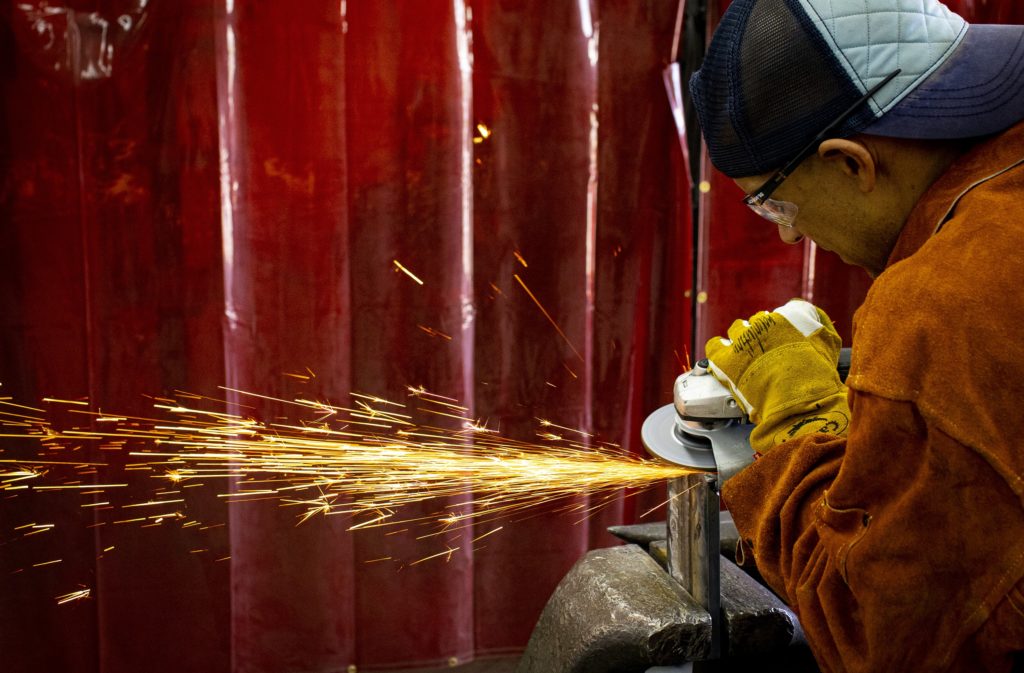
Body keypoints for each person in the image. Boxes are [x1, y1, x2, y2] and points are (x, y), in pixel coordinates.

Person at [687, 1, 1024, 671]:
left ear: (851, 163)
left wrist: (799, 423)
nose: (785, 232)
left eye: (774, 202)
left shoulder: (939, 305)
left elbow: (876, 640)